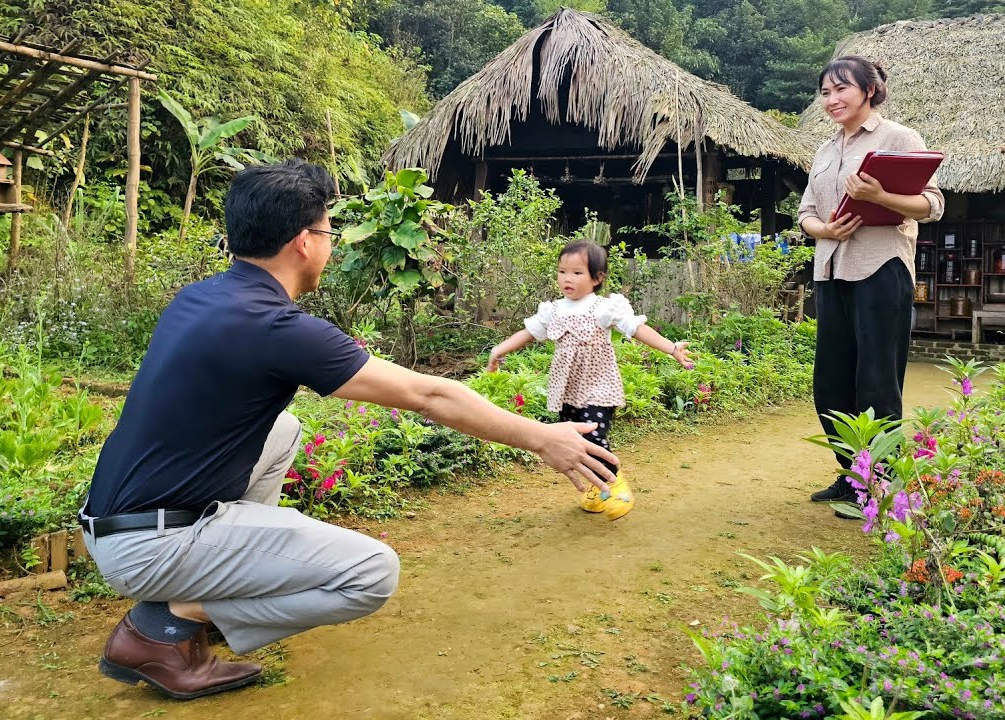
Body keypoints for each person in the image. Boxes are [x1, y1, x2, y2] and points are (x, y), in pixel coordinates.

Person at [79, 159, 620, 700]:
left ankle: (220, 582)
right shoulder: (276, 327)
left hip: (113, 523)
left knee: (283, 428)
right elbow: (428, 394)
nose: (331, 244)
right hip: (151, 548)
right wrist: (542, 436)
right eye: (328, 231)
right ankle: (166, 624)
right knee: (369, 574)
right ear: (303, 242)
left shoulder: (201, 296)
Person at [797, 56, 944, 512]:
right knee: (831, 382)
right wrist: (823, 230)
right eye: (825, 92)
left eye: (841, 89)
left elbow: (932, 205)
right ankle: (851, 476)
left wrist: (878, 196)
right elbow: (805, 213)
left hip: (881, 267)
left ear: (869, 90)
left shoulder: (899, 138)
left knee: (876, 380)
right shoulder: (824, 150)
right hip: (831, 269)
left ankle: (879, 486)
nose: (832, 99)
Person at [486, 240, 693, 520]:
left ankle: (616, 484)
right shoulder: (554, 310)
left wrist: (672, 349)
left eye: (577, 273)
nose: (567, 279)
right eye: (562, 272)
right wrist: (499, 350)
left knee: (594, 437)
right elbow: (528, 333)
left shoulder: (603, 308)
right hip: (568, 391)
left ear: (597, 278)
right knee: (575, 442)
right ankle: (598, 490)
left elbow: (637, 330)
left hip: (599, 387)